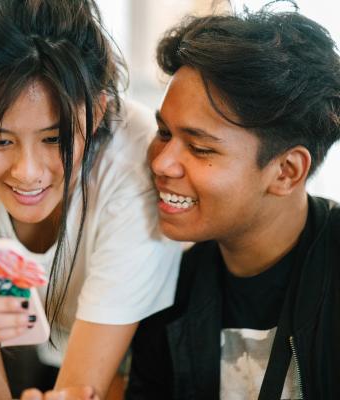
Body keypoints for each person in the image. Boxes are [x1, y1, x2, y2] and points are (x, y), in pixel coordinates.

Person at [0, 1, 181, 399]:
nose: (28, 172)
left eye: (56, 139)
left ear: (99, 110)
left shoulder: (133, 169)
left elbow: (84, 389)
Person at [125, 5, 340, 400]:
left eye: (199, 147)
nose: (161, 162)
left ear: (286, 171)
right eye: (163, 132)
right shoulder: (168, 288)